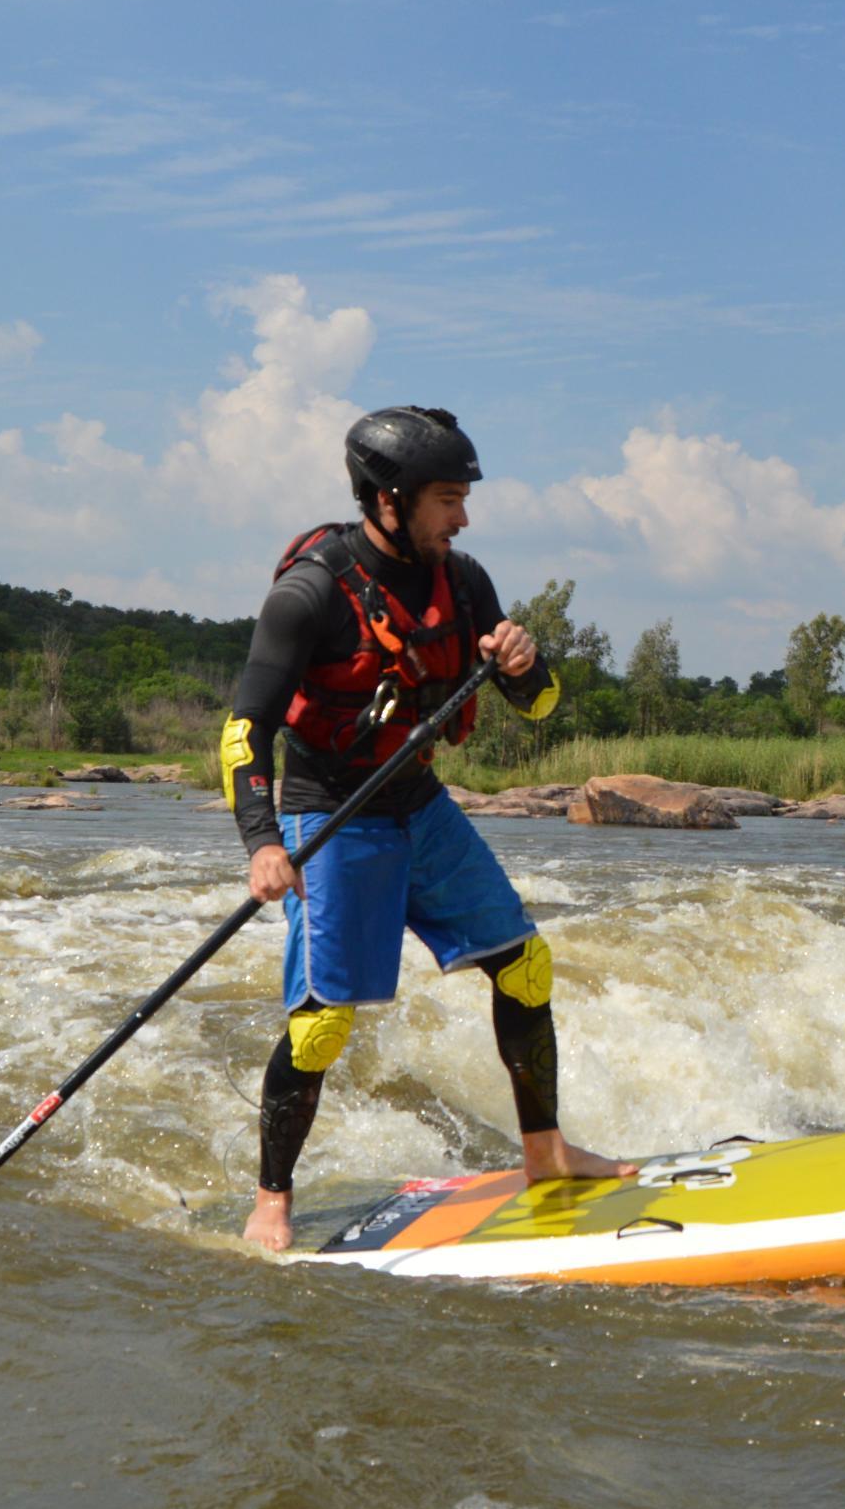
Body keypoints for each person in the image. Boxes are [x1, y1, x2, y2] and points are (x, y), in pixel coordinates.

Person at [221, 404, 635, 1251]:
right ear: (388, 500)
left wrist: (527, 663)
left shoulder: (465, 579)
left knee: (524, 965)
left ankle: (545, 1152)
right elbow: (243, 730)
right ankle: (271, 1200)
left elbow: (543, 702)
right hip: (330, 816)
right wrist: (263, 840)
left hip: (417, 804)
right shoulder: (309, 595)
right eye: (447, 499)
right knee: (321, 1023)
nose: (463, 516)